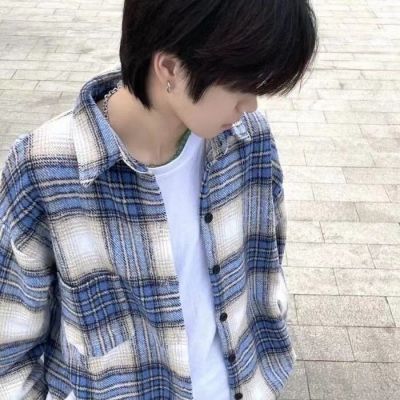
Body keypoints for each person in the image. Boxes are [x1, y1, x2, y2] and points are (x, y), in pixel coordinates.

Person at [0, 0, 318, 399]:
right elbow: (10, 350)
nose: (251, 104)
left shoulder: (249, 141)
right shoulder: (46, 168)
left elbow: (267, 261)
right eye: (240, 85)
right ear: (169, 67)